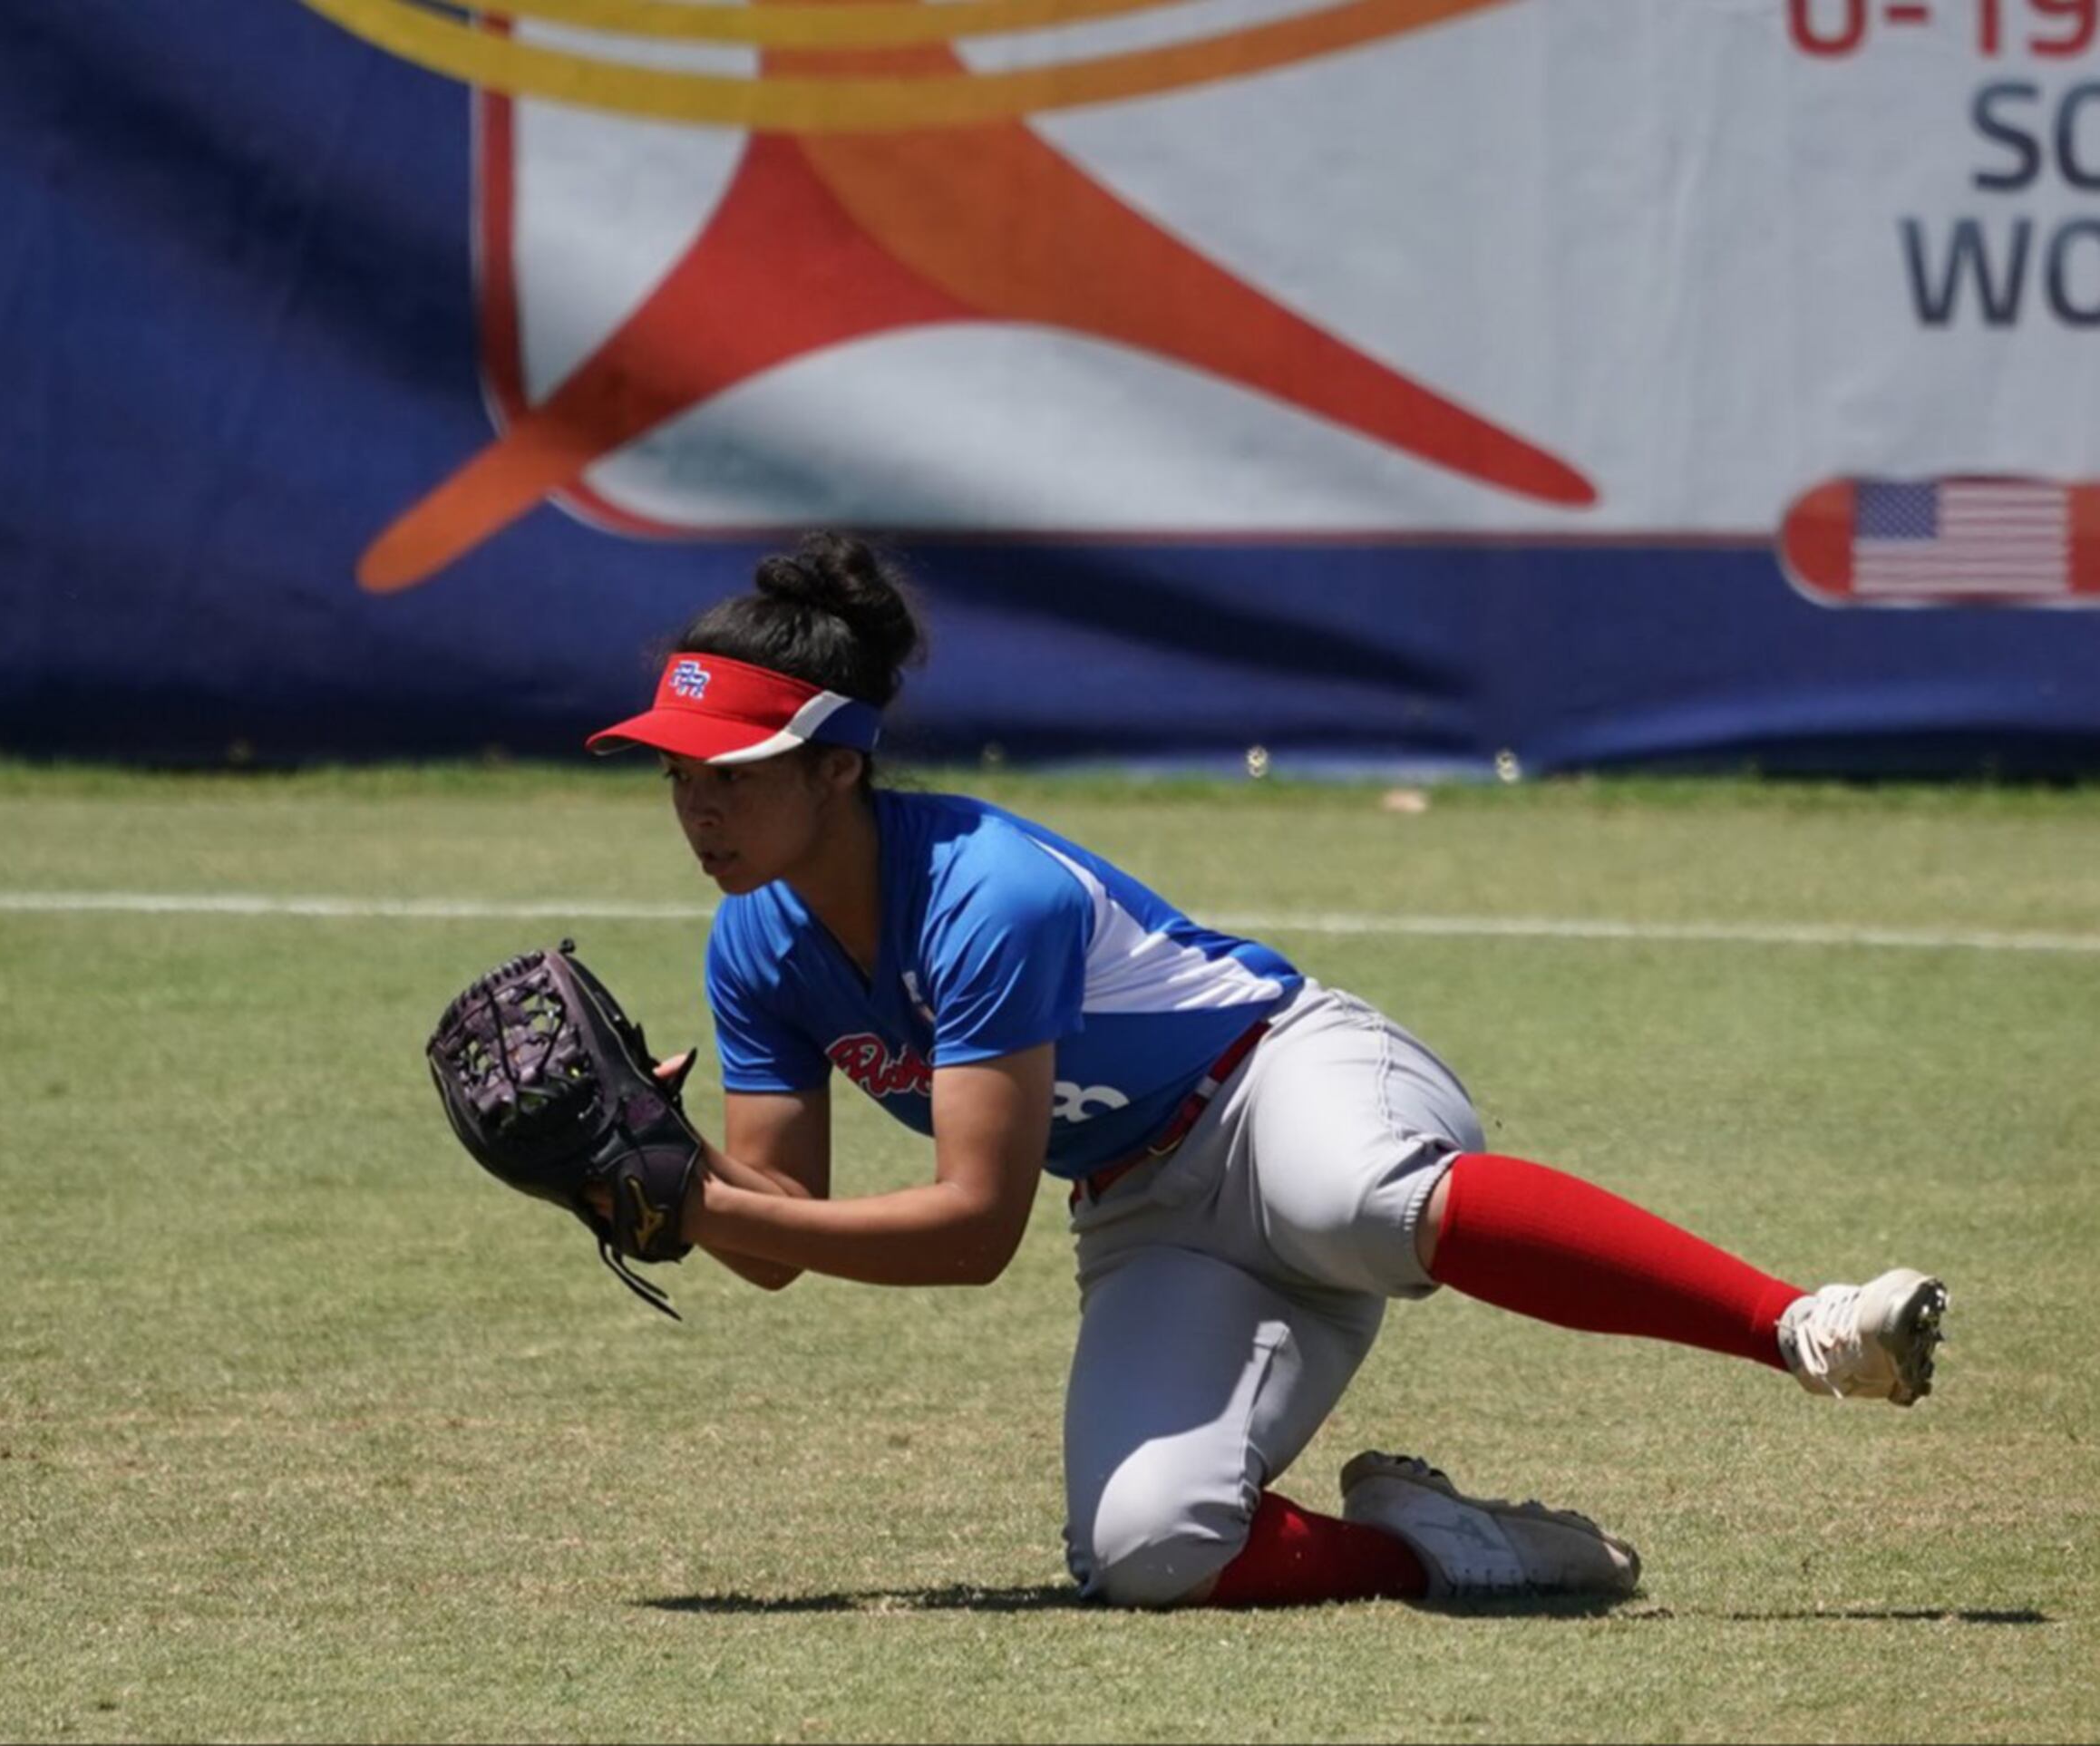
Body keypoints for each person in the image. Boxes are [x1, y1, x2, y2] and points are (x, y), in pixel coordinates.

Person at [582, 531, 1949, 1608]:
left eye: (735, 769)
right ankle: (1446, 1549)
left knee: (1356, 1195)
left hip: (1284, 1079)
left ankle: (1801, 1326)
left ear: (837, 768)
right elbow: (772, 1234)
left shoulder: (981, 893)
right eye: (678, 774)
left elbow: (972, 1228)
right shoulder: (754, 942)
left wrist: (701, 1202)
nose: (700, 805)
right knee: (1147, 1552)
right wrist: (639, 1162)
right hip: (1147, 1208)